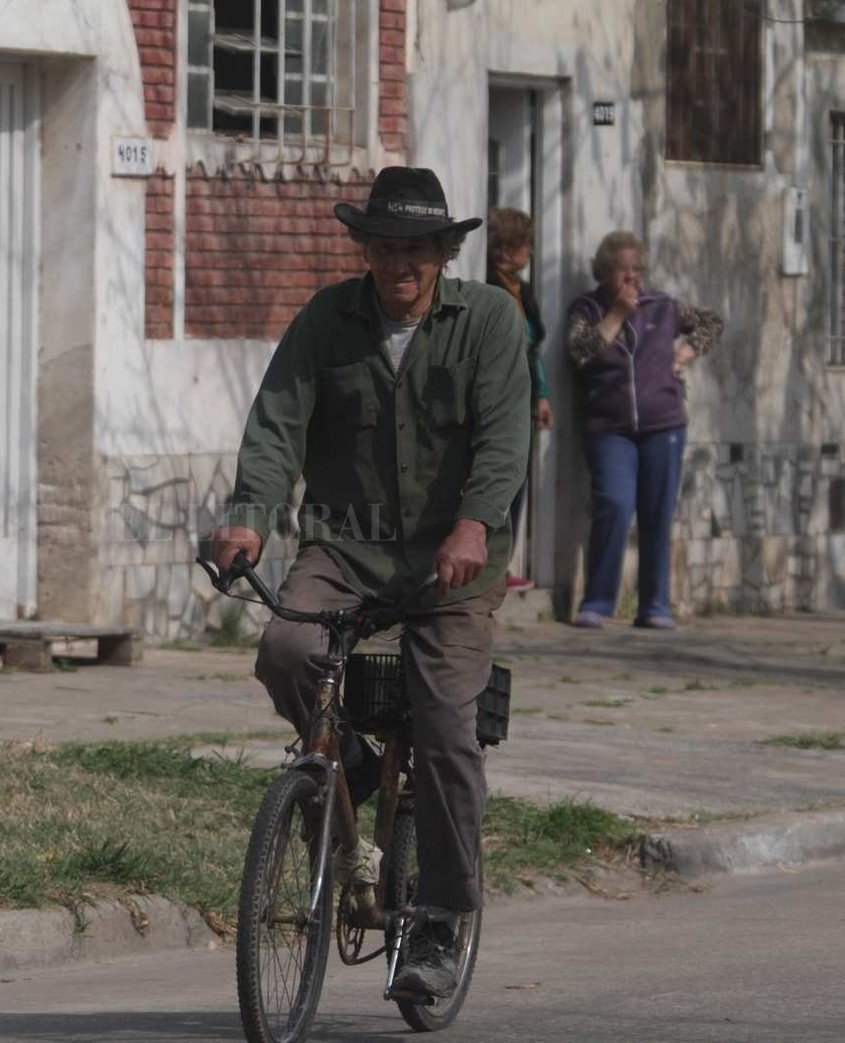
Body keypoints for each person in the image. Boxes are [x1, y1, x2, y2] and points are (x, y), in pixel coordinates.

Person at [206, 167, 529, 998]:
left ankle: (440, 919)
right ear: (366, 250)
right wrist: (248, 517)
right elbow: (277, 423)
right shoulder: (327, 320)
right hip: (345, 549)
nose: (400, 265)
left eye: (416, 250)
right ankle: (340, 756)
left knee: (446, 729)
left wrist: (474, 523)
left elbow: (502, 438)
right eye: (385, 249)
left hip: (452, 563)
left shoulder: (489, 319)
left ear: (442, 254)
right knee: (285, 647)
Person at [566, 231, 722, 630]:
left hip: (663, 423)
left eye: (637, 270)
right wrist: (616, 314)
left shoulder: (664, 307)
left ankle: (655, 606)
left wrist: (687, 352)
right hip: (609, 427)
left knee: (657, 512)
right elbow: (582, 353)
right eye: (623, 271)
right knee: (615, 504)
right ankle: (598, 602)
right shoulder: (586, 309)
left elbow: (710, 321)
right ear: (603, 273)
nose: (632, 278)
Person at [486, 207, 553, 589]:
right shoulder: (488, 288)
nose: (529, 251)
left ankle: (502, 564)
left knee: (518, 483)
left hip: (522, 399)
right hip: (496, 400)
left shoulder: (522, 293)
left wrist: (542, 394)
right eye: (523, 243)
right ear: (506, 248)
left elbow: (531, 350)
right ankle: (490, 564)